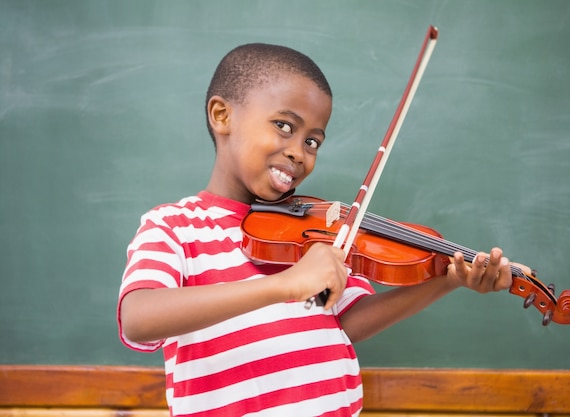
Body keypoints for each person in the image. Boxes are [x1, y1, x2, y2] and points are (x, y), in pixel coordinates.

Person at [117, 43, 513, 417]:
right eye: (284, 126)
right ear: (222, 115)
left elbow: (349, 319)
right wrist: (283, 286)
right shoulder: (174, 226)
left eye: (312, 141)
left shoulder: (313, 233)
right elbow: (138, 317)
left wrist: (445, 280)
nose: (299, 152)